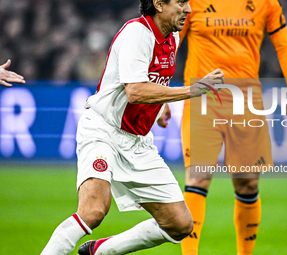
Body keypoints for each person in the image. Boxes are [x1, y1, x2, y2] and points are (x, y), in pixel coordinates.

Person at [41, 0, 224, 254]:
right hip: (103, 131)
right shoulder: (137, 33)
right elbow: (135, 90)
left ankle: (101, 251)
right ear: (158, 4)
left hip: (137, 142)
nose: (189, 9)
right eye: (181, 2)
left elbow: (151, 76)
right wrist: (191, 91)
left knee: (180, 224)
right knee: (93, 210)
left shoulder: (173, 35)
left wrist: (160, 105)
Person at [178, 0, 287, 254]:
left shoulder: (266, 3)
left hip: (246, 101)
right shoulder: (191, 2)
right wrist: (161, 88)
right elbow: (171, 42)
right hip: (203, 98)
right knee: (198, 177)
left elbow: (284, 45)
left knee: (248, 183)